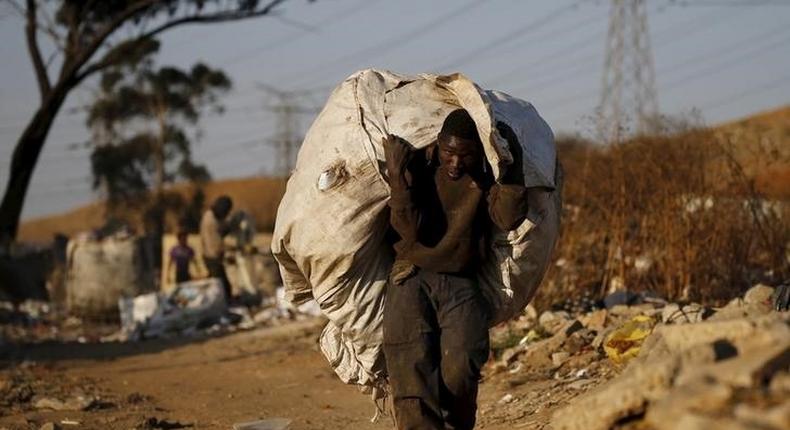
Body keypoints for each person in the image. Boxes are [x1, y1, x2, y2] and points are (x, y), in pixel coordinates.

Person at [383, 109, 529, 430]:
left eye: (465, 155)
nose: (456, 164)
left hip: (461, 280)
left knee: (462, 365)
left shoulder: (484, 176)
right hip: (411, 275)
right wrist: (396, 175)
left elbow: (508, 219)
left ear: (478, 152)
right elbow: (407, 229)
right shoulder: (418, 166)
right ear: (438, 144)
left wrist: (512, 167)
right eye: (449, 153)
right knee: (411, 368)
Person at [200, 195, 234, 299]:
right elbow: (216, 244)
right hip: (212, 257)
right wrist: (229, 254)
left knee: (218, 283)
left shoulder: (209, 215)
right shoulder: (211, 221)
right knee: (222, 287)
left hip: (209, 256)